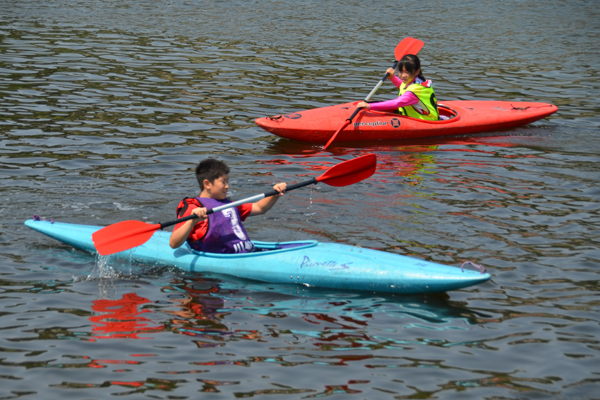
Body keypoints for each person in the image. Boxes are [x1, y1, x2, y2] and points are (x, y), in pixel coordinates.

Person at [169, 158, 287, 253]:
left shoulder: (230, 204)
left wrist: (275, 193)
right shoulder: (193, 207)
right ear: (207, 184)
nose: (227, 186)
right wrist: (192, 221)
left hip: (248, 252)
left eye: (227, 181)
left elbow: (260, 208)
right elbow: (174, 243)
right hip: (222, 259)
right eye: (223, 182)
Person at [357, 54, 439, 121]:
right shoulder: (413, 81)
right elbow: (402, 86)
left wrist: (369, 106)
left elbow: (396, 103)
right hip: (413, 118)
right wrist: (392, 77)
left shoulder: (415, 90)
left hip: (426, 121)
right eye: (401, 71)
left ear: (417, 71)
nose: (403, 75)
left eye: (407, 72)